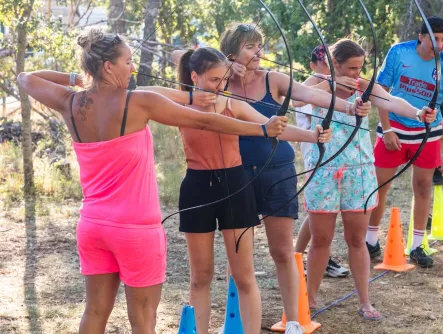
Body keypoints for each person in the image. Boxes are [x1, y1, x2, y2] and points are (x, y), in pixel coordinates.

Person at [16, 28, 288, 334]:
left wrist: (75, 79)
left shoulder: (71, 102)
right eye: (128, 61)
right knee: (143, 321)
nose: (133, 67)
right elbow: (203, 120)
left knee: (93, 312)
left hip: (93, 227)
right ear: (108, 66)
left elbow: (26, 77)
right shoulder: (138, 101)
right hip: (135, 231)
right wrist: (263, 129)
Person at [142, 47, 331, 334]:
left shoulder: (233, 103)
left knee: (244, 276)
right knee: (200, 276)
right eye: (214, 79)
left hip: (235, 186)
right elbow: (142, 92)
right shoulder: (180, 106)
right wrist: (191, 96)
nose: (220, 86)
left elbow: (273, 129)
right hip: (197, 189)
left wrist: (311, 136)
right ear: (195, 76)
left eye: (224, 79)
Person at [220, 23, 371, 334]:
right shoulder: (218, 81)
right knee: (238, 253)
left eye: (260, 46)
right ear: (232, 52)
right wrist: (224, 69)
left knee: (282, 251)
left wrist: (350, 105)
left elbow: (307, 95)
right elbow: (186, 67)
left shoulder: (273, 78)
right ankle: (236, 321)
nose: (258, 53)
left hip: (277, 171)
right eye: (250, 47)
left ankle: (294, 321)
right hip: (235, 173)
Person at [300, 39, 436, 320]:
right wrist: (335, 84)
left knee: (357, 239)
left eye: (360, 68)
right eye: (351, 68)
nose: (357, 74)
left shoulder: (363, 85)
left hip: (359, 170)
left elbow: (392, 100)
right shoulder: (316, 84)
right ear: (335, 64)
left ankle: (365, 302)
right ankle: (309, 300)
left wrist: (419, 112)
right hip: (324, 170)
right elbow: (297, 98)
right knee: (321, 238)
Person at [367, 17, 443, 268]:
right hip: (394, 132)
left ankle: (417, 246)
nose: (439, 45)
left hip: (427, 135)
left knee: (423, 188)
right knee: (380, 185)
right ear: (420, 36)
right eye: (434, 38)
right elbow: (380, 90)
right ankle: (370, 240)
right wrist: (387, 129)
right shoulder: (399, 52)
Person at [294, 45, 349, 278]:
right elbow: (307, 105)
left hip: (337, 154)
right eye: (324, 64)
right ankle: (297, 258)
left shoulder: (337, 84)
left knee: (321, 211)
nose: (329, 69)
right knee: (318, 210)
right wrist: (329, 85)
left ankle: (304, 257)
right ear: (313, 66)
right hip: (315, 154)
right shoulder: (307, 88)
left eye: (332, 64)